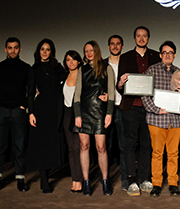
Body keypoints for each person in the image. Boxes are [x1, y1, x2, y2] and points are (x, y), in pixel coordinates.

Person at [0, 37, 31, 193]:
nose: (13, 50)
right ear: (5, 49)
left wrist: (23, 105)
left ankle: (20, 179)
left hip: (18, 112)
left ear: (20, 49)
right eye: (10, 48)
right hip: (1, 111)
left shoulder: (26, 67)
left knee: (19, 147)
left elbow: (31, 91)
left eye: (16, 47)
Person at [116, 26, 157, 196]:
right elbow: (120, 87)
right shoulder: (125, 57)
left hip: (149, 107)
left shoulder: (155, 56)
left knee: (147, 144)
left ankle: (145, 178)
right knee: (130, 144)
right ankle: (131, 179)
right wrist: (119, 84)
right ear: (134, 38)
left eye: (144, 36)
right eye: (138, 36)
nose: (141, 39)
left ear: (148, 38)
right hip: (131, 106)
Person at [142, 41, 180, 197]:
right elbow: (145, 95)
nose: (168, 55)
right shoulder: (151, 71)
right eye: (165, 52)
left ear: (174, 55)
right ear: (160, 55)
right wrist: (155, 110)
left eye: (170, 52)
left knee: (174, 154)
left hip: (174, 120)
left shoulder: (179, 73)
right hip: (157, 119)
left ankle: (173, 183)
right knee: (157, 154)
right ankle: (157, 183)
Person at [74, 40, 115, 196]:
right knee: (84, 146)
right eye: (86, 51)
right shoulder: (82, 70)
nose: (88, 53)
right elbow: (77, 95)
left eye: (91, 50)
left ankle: (105, 181)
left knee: (101, 148)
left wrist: (109, 113)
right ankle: (86, 182)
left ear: (97, 51)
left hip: (99, 112)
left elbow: (111, 94)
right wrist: (77, 115)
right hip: (83, 112)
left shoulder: (107, 68)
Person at [27, 39, 66, 193]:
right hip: (41, 108)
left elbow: (68, 81)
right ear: (38, 51)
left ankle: (50, 171)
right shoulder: (34, 69)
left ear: (52, 52)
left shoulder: (58, 67)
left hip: (56, 107)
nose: (44, 52)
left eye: (47, 49)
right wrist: (31, 113)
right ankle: (44, 179)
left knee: (53, 142)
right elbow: (30, 93)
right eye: (42, 49)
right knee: (42, 143)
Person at [105, 34, 128, 191]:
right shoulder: (101, 64)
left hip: (122, 107)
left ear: (122, 46)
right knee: (105, 146)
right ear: (108, 46)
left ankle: (125, 178)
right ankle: (105, 178)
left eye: (118, 44)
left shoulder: (127, 63)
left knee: (123, 146)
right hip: (106, 109)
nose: (115, 46)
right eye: (112, 44)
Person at [62, 50, 82, 193]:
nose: (71, 62)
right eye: (68, 59)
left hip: (79, 113)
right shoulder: (63, 76)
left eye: (74, 59)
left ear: (79, 61)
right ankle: (74, 179)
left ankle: (79, 179)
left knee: (78, 148)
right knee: (70, 149)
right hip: (66, 113)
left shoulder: (83, 76)